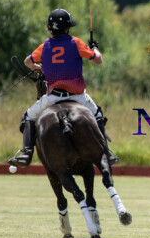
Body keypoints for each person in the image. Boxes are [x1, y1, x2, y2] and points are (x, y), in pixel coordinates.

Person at [8, 9, 118, 167]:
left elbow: (27, 61)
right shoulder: (76, 43)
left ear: (49, 29)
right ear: (67, 28)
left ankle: (26, 153)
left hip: (53, 97)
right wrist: (94, 48)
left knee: (29, 117)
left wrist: (37, 67)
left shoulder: (45, 46)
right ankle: (106, 152)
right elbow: (98, 60)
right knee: (98, 115)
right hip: (78, 96)